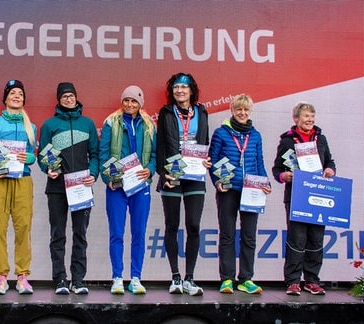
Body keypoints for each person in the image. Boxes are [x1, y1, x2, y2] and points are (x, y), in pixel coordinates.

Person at [37, 82, 99, 295]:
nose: (68, 99)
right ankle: (60, 279)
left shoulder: (88, 124)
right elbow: (42, 155)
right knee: (58, 234)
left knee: (80, 233)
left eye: (71, 95)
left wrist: (93, 173)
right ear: (59, 99)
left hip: (81, 186)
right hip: (56, 187)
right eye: (64, 96)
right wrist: (47, 168)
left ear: (76, 97)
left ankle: (78, 279)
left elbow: (96, 155)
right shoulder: (49, 125)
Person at [208, 94, 271, 294]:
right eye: (239, 109)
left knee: (249, 236)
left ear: (250, 111)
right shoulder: (221, 133)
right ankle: (227, 279)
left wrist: (265, 182)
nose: (242, 113)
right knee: (227, 235)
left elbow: (259, 161)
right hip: (228, 191)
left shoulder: (256, 135)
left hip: (251, 191)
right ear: (232, 111)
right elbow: (212, 160)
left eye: (246, 110)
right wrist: (218, 182)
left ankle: (246, 279)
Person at [156, 73, 211, 296]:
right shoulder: (166, 112)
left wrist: (208, 160)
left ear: (191, 91)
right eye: (176, 87)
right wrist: (163, 172)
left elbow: (204, 142)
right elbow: (159, 146)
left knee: (193, 226)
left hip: (195, 176)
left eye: (184, 87)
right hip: (173, 174)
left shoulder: (202, 112)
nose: (180, 91)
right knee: (171, 225)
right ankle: (175, 276)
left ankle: (190, 277)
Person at [272, 102, 335, 296]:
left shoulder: (321, 139)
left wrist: (330, 169)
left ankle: (312, 280)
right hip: (296, 197)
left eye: (312, 116)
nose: (310, 120)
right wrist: (284, 177)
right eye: (306, 116)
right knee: (297, 239)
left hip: (319, 195)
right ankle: (292, 281)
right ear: (296, 119)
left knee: (316, 239)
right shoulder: (287, 141)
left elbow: (330, 160)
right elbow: (277, 169)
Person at [0, 80, 37, 295]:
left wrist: (29, 157)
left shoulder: (30, 127)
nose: (16, 96)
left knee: (23, 227)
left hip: (22, 180)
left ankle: (22, 276)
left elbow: (32, 156)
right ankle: (1, 277)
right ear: (5, 98)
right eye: (12, 93)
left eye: (20, 94)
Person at [99, 85, 156, 295]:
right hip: (117, 186)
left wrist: (149, 170)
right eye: (126, 100)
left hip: (140, 186)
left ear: (140, 104)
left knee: (139, 233)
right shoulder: (110, 123)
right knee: (117, 233)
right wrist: (108, 177)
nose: (130, 104)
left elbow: (156, 155)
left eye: (134, 101)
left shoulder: (149, 125)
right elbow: (103, 153)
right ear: (122, 102)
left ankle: (135, 278)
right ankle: (117, 277)